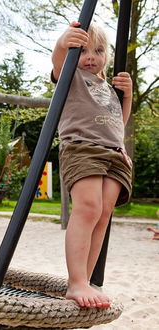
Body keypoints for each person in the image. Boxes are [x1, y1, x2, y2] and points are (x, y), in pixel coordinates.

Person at [52, 22, 133, 308]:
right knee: (88, 208)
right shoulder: (71, 76)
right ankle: (76, 282)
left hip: (114, 153)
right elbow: (59, 62)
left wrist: (128, 96)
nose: (91, 56)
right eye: (84, 50)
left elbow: (117, 124)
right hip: (83, 147)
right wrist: (64, 43)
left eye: (98, 51)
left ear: (107, 56)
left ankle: (85, 279)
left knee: (102, 214)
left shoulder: (108, 88)